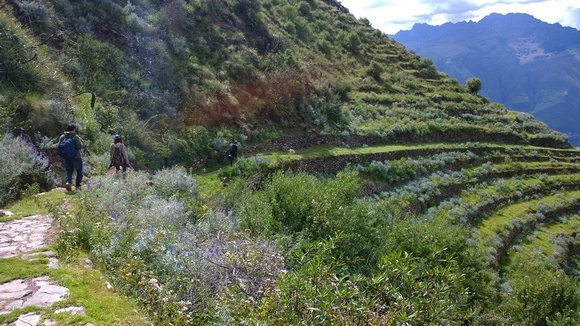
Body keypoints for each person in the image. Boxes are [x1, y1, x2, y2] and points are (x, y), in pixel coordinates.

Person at [58, 124, 84, 191]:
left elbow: (59, 146)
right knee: (79, 171)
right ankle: (78, 185)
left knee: (69, 170)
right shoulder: (75, 136)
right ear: (74, 129)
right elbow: (79, 146)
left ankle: (68, 182)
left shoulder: (62, 137)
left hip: (67, 157)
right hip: (76, 157)